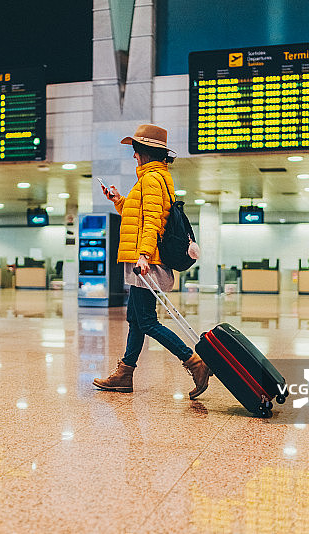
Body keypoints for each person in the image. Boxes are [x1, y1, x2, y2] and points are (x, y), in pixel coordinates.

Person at [92, 124, 211, 399]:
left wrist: (144, 255)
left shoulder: (151, 179)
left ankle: (195, 363)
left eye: (135, 151)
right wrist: (118, 200)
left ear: (145, 152)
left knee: (146, 320)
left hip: (147, 260)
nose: (133, 156)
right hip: (144, 258)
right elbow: (139, 216)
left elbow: (154, 222)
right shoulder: (154, 177)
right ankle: (125, 373)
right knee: (135, 318)